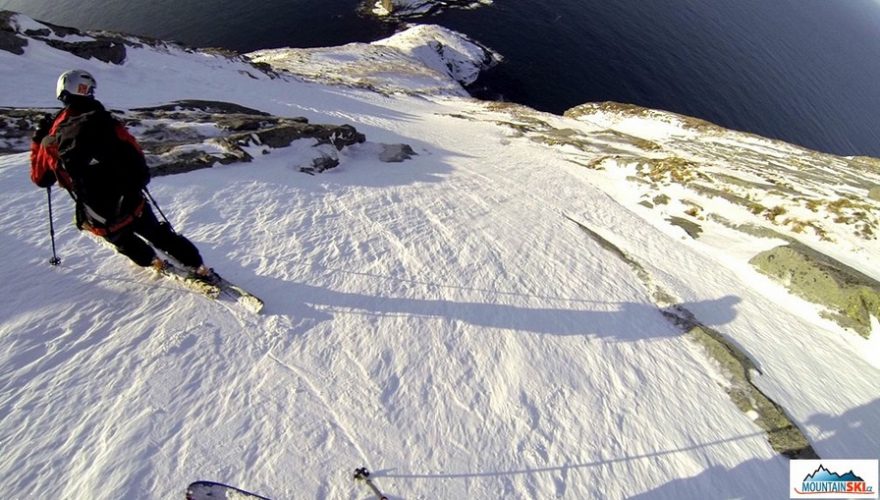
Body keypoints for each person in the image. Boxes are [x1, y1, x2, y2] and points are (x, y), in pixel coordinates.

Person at [30, 69, 211, 277]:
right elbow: (136, 156)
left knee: (122, 240)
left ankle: (152, 261)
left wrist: (37, 141)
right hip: (132, 200)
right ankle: (197, 265)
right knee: (158, 233)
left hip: (97, 212)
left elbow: (41, 179)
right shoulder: (108, 124)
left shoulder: (51, 140)